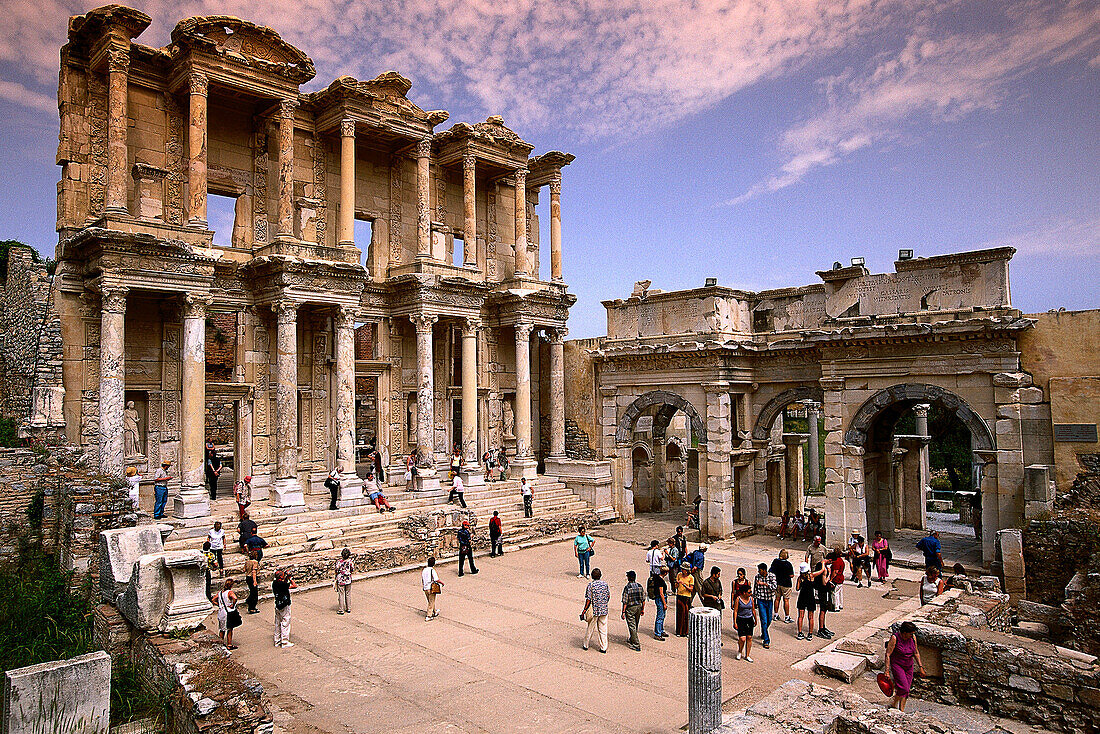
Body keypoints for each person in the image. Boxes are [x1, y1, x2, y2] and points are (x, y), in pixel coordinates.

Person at [886, 621, 925, 711]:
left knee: (906, 689)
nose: (912, 635)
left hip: (909, 665)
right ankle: (899, 708)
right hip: (897, 665)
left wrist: (921, 667)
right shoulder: (895, 638)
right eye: (910, 633)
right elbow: (888, 654)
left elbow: (916, 652)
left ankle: (896, 706)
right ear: (904, 633)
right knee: (904, 687)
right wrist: (887, 671)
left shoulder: (913, 638)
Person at [581, 568, 610, 653]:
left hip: (594, 610)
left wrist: (584, 610)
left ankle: (586, 644)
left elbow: (588, 599)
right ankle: (603, 647)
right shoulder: (605, 584)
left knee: (590, 628)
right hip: (604, 610)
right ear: (600, 576)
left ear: (592, 576)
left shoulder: (591, 585)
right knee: (603, 629)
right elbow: (608, 596)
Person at [753, 562, 777, 649]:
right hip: (761, 600)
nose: (759, 572)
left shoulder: (772, 576)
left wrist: (765, 584)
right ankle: (766, 640)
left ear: (764, 570)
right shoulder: (757, 577)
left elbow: (774, 587)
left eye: (760, 570)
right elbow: (755, 589)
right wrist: (754, 600)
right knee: (764, 620)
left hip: (769, 600)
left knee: (769, 619)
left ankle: (764, 631)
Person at [621, 570, 645, 651]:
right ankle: (632, 638)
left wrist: (623, 612)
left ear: (628, 578)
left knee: (632, 625)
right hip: (638, 606)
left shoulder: (627, 588)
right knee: (636, 624)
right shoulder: (639, 586)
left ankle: (636, 644)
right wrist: (642, 609)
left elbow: (625, 601)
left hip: (630, 608)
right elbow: (643, 599)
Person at [213, 578, 241, 650]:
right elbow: (235, 598)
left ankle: (221, 644)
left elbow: (213, 600)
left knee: (222, 629)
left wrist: (219, 605)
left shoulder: (220, 593)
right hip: (228, 612)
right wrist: (233, 604)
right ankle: (229, 644)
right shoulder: (230, 592)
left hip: (221, 612)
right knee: (229, 629)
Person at [272, 568, 297, 648]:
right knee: (285, 621)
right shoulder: (283, 584)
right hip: (284, 604)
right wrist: (290, 578)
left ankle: (277, 640)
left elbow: (284, 583)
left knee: (277, 622)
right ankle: (285, 642)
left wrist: (285, 579)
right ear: (281, 577)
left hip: (278, 604)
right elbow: (294, 585)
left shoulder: (275, 583)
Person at [733, 582, 757, 662]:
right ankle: (740, 651)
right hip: (741, 619)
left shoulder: (751, 599)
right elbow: (735, 611)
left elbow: (753, 609)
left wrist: (755, 619)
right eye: (749, 592)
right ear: (744, 593)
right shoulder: (738, 599)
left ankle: (747, 655)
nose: (750, 593)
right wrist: (735, 622)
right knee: (742, 638)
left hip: (749, 619)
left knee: (749, 637)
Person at [770, 549, 795, 623]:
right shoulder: (788, 564)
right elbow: (791, 575)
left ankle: (776, 614)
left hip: (778, 582)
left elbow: (771, 571)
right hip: (786, 584)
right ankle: (787, 617)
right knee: (786, 600)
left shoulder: (775, 562)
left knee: (777, 599)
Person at [795, 562, 818, 640]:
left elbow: (797, 588)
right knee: (811, 617)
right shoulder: (811, 577)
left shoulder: (800, 578)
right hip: (810, 597)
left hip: (802, 597)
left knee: (800, 616)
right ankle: (810, 633)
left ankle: (800, 632)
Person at [674, 562, 695, 637]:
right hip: (679, 595)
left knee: (686, 614)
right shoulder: (679, 575)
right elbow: (675, 585)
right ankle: (679, 631)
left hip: (686, 596)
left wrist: (684, 585)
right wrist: (677, 583)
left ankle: (686, 632)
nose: (682, 570)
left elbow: (691, 589)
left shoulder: (691, 578)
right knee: (679, 614)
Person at [647, 566, 668, 641]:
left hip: (658, 598)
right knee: (660, 616)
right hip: (660, 599)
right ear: (665, 573)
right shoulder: (660, 581)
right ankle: (658, 633)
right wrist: (664, 604)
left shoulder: (656, 578)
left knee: (662, 615)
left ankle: (661, 630)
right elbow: (661, 593)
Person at [335, 547, 353, 614]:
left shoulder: (339, 562)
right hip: (348, 579)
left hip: (341, 579)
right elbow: (352, 569)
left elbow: (336, 570)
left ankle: (341, 609)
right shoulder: (350, 562)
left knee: (341, 594)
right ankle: (348, 608)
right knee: (348, 594)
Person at [243, 548, 260, 614]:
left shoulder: (247, 562)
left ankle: (250, 603)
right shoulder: (255, 562)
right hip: (252, 578)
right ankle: (252, 607)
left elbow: (244, 570)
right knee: (254, 594)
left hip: (247, 577)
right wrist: (255, 581)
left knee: (252, 591)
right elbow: (254, 572)